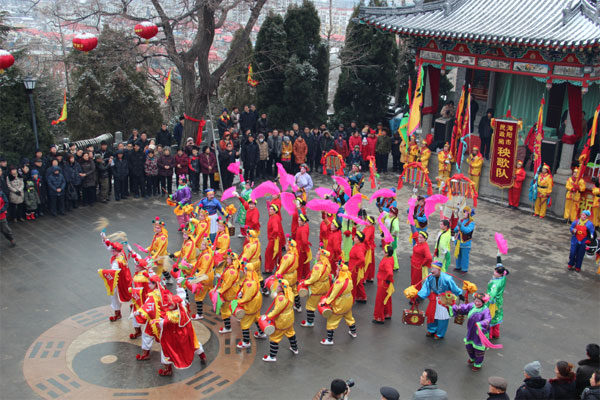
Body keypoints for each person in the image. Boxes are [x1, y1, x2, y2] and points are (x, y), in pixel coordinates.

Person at [416, 262, 464, 340]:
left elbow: (453, 287)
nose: (432, 270)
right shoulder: (430, 277)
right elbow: (426, 287)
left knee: (442, 317)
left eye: (434, 269)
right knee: (432, 315)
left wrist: (460, 294)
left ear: (439, 269)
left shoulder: (447, 278)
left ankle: (440, 333)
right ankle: (431, 330)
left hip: (445, 299)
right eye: (432, 268)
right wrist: (420, 296)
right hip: (434, 298)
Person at [262, 277, 299, 362]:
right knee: (290, 332)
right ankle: (295, 348)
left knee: (275, 337)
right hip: (290, 317)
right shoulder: (289, 292)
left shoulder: (280, 298)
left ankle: (272, 356)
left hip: (282, 320)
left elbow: (276, 311)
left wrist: (267, 317)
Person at [452, 292, 492, 371]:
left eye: (479, 301)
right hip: (471, 331)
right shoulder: (472, 305)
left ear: (483, 302)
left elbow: (488, 319)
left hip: (480, 333)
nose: (476, 303)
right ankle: (472, 358)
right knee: (469, 346)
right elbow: (464, 307)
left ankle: (478, 364)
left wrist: (481, 324)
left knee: (479, 349)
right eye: (476, 301)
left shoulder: (485, 310)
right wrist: (454, 307)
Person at [320, 264, 357, 345]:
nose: (336, 270)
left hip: (340, 304)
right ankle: (353, 332)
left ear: (341, 271)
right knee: (349, 317)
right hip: (348, 301)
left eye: (338, 269)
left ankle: (329, 340)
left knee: (331, 321)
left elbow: (333, 295)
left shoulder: (339, 282)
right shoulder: (349, 279)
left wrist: (326, 302)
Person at [100, 232, 133, 322]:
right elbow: (110, 246)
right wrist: (105, 238)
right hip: (126, 277)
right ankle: (132, 307)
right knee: (129, 294)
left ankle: (118, 313)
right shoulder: (121, 252)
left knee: (114, 295)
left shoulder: (116, 262)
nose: (111, 251)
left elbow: (112, 273)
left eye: (113, 250)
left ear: (117, 251)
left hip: (119, 281)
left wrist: (102, 272)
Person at [236, 263, 265, 349]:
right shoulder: (254, 276)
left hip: (251, 304)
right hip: (257, 301)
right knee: (256, 317)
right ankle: (261, 333)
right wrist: (242, 291)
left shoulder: (249, 283)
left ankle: (246, 342)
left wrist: (239, 302)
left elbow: (247, 297)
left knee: (245, 322)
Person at [300, 248, 332, 328]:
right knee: (324, 301)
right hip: (325, 286)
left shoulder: (318, 266)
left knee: (310, 305)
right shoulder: (327, 264)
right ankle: (327, 314)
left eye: (318, 254)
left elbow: (313, 279)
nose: (316, 255)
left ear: (321, 256)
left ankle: (310, 322)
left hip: (317, 288)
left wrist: (305, 282)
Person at [217, 251, 241, 334]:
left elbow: (227, 284)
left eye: (228, 259)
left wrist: (220, 291)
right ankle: (239, 316)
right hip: (233, 291)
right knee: (233, 305)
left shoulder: (231, 271)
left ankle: (228, 327)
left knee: (225, 310)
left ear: (232, 260)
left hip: (229, 292)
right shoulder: (232, 268)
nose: (227, 260)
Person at [372, 244, 394, 324]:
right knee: (386, 298)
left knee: (380, 300)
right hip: (385, 282)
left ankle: (379, 317)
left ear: (387, 253)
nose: (383, 251)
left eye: (384, 251)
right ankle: (387, 313)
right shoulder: (390, 258)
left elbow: (390, 273)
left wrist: (385, 278)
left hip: (383, 282)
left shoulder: (387, 261)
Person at [487, 261, 509, 339]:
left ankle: (489, 335)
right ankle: (496, 334)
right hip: (499, 300)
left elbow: (492, 293)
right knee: (497, 316)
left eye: (496, 272)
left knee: (491, 316)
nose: (494, 272)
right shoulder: (503, 278)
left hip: (493, 302)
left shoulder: (495, 283)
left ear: (500, 274)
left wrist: (488, 299)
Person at [265, 204, 284, 277]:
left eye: (271, 209)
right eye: (269, 209)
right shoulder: (275, 216)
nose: (269, 211)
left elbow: (275, 230)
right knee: (277, 254)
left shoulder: (274, 219)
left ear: (275, 211)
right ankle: (279, 268)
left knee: (268, 254)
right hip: (277, 239)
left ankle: (268, 269)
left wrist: (272, 235)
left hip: (273, 240)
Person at [348, 231, 367, 303]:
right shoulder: (359, 245)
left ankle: (351, 300)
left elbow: (362, 259)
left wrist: (355, 265)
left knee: (353, 284)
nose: (354, 238)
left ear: (359, 240)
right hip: (355, 268)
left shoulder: (358, 248)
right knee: (358, 283)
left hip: (354, 269)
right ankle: (362, 297)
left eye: (356, 237)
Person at [455, 206, 475, 274]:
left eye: (466, 212)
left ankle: (464, 269)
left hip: (465, 243)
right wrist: (457, 227)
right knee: (458, 255)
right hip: (458, 241)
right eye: (464, 212)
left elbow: (467, 230)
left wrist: (461, 226)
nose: (464, 214)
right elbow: (455, 230)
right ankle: (458, 266)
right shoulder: (461, 220)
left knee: (465, 256)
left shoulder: (471, 223)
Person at [296, 214, 312, 280]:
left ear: (303, 221)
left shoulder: (303, 229)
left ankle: (299, 278)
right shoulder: (306, 226)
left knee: (300, 264)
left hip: (301, 249)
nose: (298, 221)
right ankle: (306, 275)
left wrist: (304, 244)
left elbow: (304, 241)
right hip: (303, 248)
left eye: (299, 220)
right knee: (305, 263)